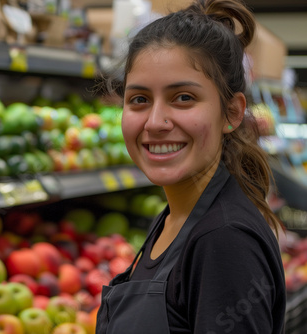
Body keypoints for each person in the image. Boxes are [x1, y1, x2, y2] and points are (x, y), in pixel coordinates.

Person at [95, 0, 286, 333]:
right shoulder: (174, 217)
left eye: (183, 97)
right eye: (139, 99)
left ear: (232, 112)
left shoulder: (224, 242)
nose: (155, 122)